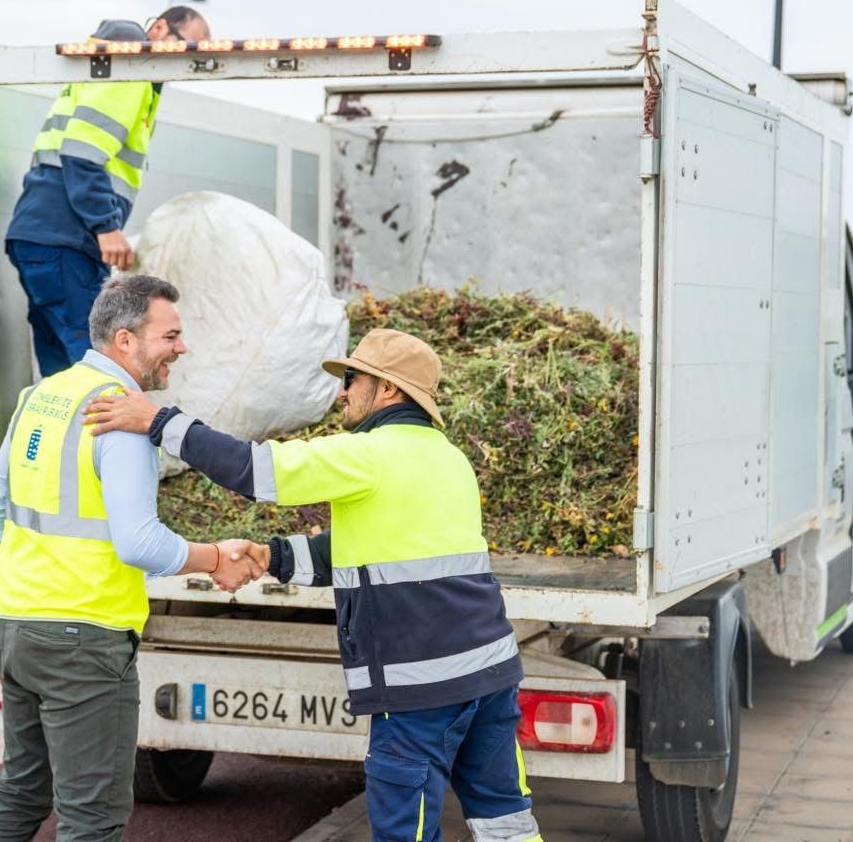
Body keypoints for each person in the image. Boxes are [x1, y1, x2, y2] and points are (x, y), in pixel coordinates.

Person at [84, 328, 542, 842]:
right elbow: (361, 551)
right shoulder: (448, 458)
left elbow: (255, 470)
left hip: (419, 689)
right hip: (490, 677)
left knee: (404, 831)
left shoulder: (368, 453)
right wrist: (270, 556)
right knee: (505, 817)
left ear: (388, 390)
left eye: (352, 379)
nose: (342, 392)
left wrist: (160, 422)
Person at [0, 274, 260, 842]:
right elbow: (139, 543)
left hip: (14, 623)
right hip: (83, 639)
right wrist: (216, 558)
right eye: (171, 335)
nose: (181, 348)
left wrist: (37, 577)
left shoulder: (42, 396)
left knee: (22, 789)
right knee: (92, 817)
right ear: (126, 340)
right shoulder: (120, 417)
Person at [5, 6, 212, 377]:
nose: (186, 60)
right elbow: (82, 155)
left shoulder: (111, 67)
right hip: (64, 240)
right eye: (185, 46)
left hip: (44, 237)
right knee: (100, 362)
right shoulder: (127, 67)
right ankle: (101, 436)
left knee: (62, 367)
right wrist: (106, 227)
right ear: (160, 27)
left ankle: (63, 435)